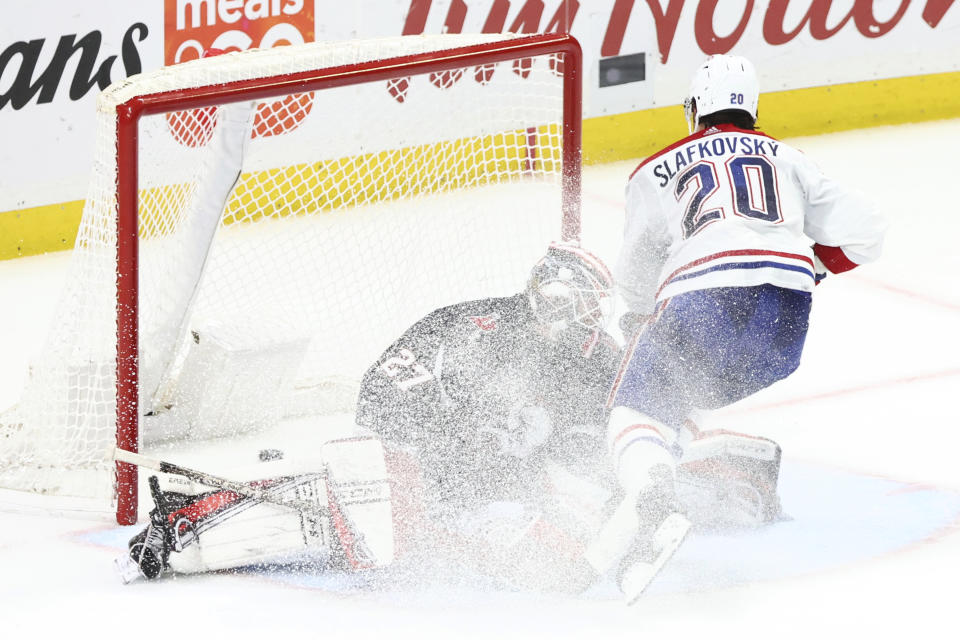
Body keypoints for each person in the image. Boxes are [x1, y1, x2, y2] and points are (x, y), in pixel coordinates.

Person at [593, 54, 888, 602]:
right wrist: (812, 269)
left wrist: (639, 324)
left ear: (696, 109)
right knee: (677, 393)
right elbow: (868, 230)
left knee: (635, 408)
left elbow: (634, 275)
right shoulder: (790, 159)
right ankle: (689, 465)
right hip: (784, 327)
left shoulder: (655, 168)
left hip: (704, 300)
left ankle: (653, 500)